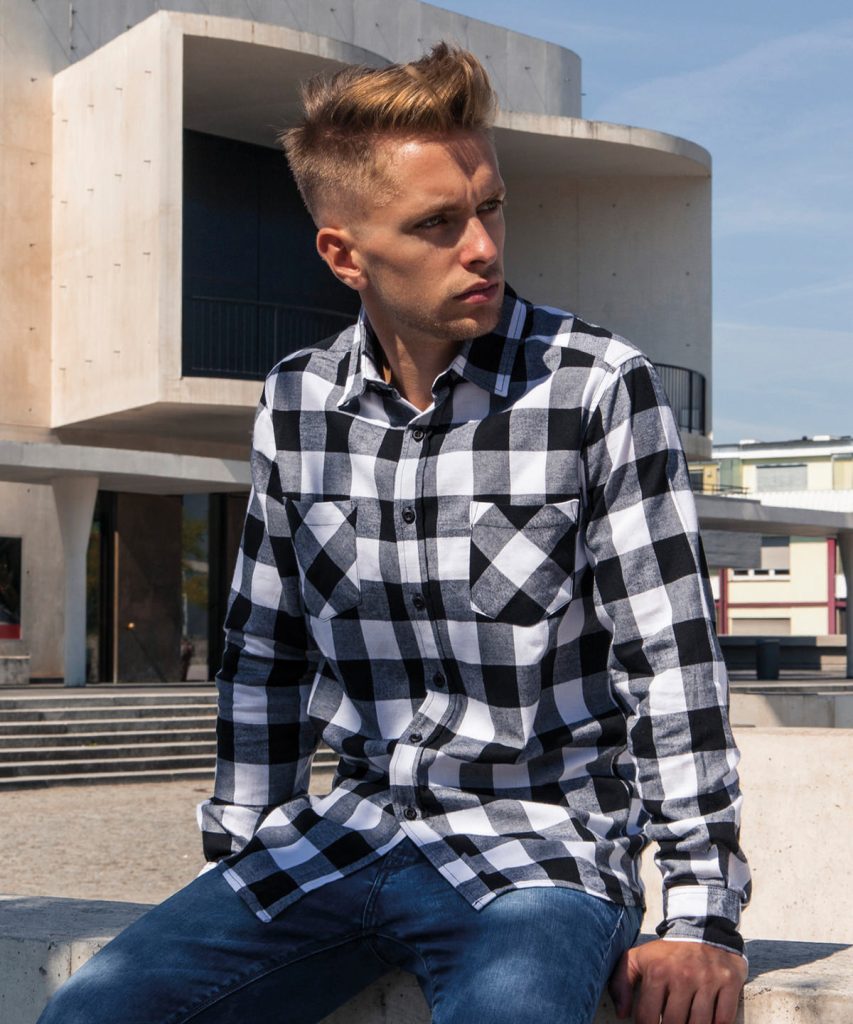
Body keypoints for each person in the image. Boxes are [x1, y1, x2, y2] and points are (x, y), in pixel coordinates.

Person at [39, 42, 750, 1024]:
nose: (483, 247)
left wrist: (701, 911)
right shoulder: (297, 401)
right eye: (437, 223)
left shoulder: (593, 386)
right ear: (344, 254)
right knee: (87, 1015)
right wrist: (243, 853)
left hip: (539, 853)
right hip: (342, 838)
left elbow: (669, 660)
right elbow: (266, 651)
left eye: (490, 207)